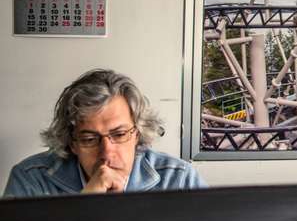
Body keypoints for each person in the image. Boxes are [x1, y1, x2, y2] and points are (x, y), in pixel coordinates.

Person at [3, 69, 206, 198]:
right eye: (90, 139)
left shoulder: (179, 180)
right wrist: (84, 208)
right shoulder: (30, 179)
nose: (107, 152)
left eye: (119, 135)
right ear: (71, 143)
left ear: (137, 134)